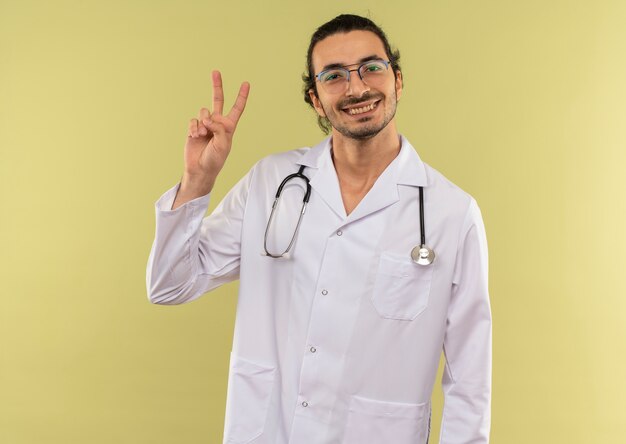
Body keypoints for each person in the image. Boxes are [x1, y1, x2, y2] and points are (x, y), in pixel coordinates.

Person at [146, 14, 491, 444]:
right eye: (334, 76)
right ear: (315, 99)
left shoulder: (451, 214)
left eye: (372, 67)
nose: (357, 87)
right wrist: (198, 182)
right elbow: (168, 285)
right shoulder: (270, 184)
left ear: (398, 80)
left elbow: (469, 378)